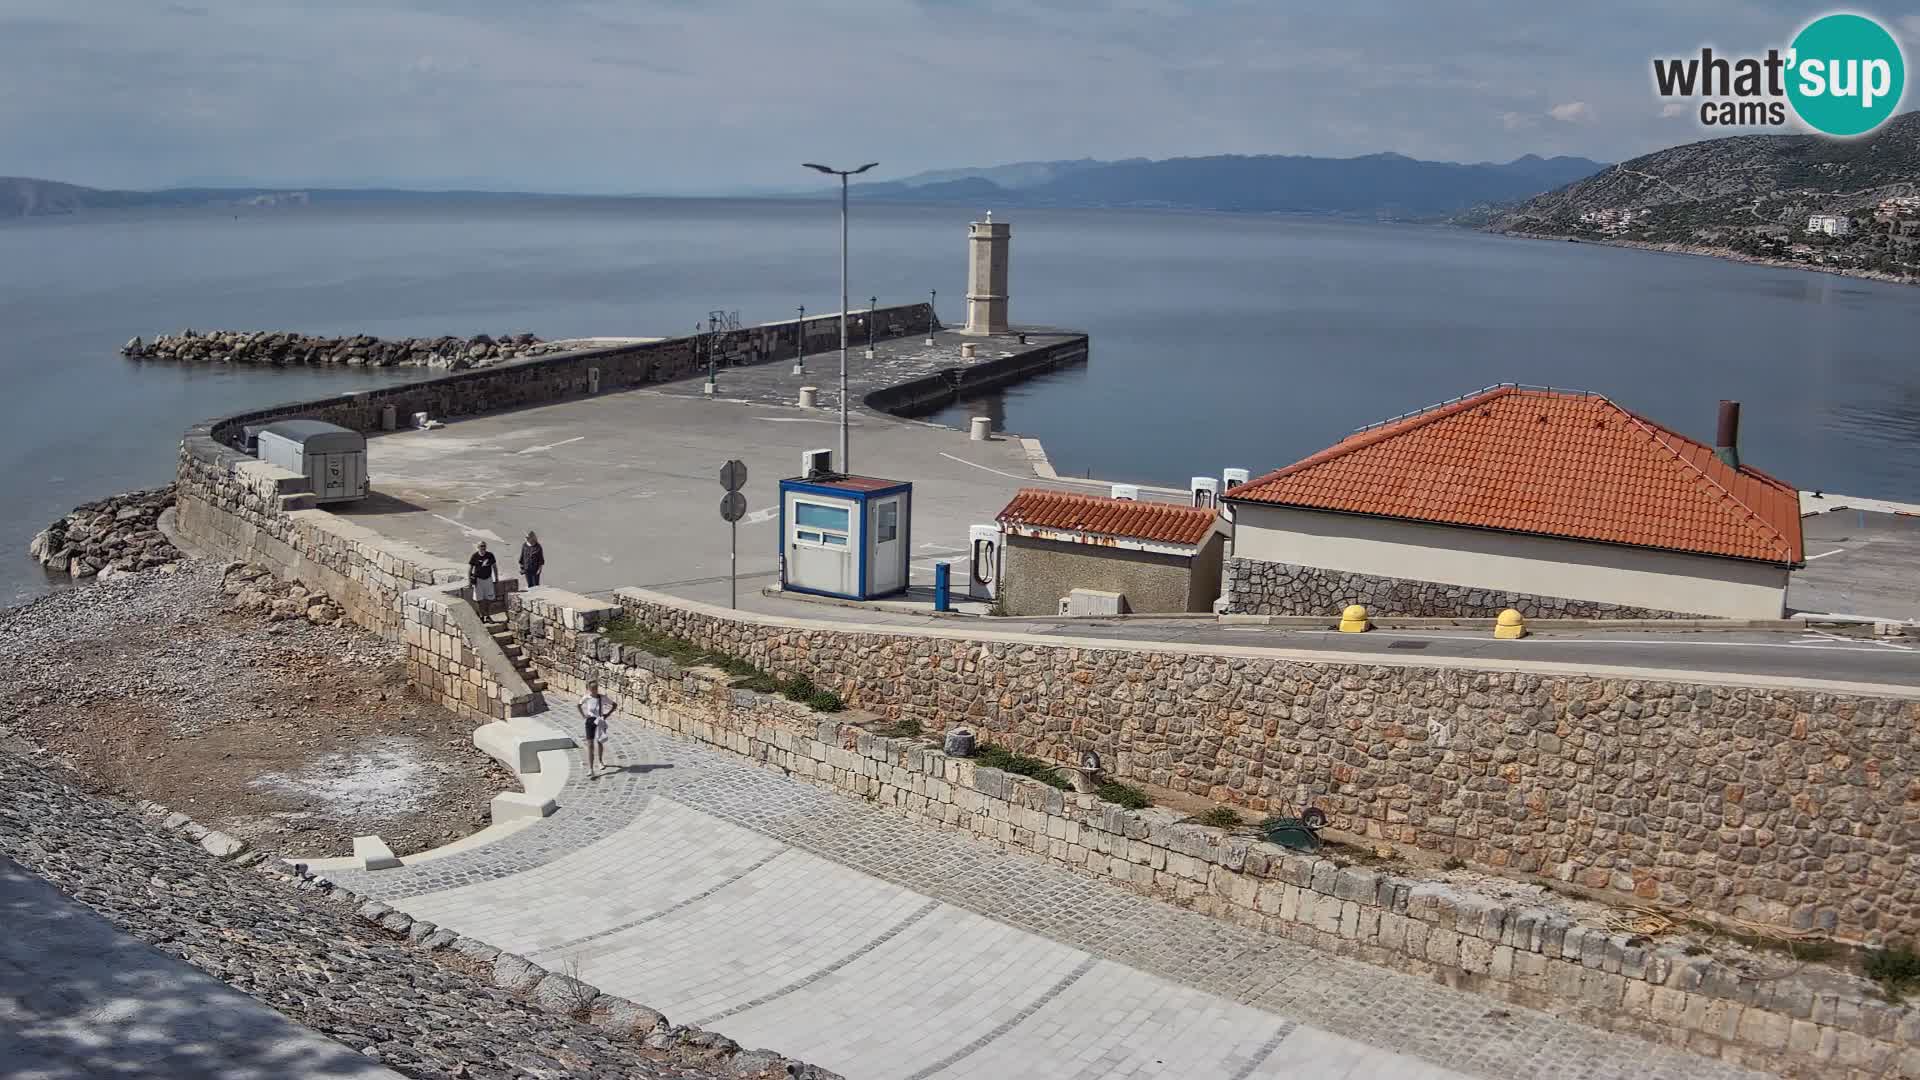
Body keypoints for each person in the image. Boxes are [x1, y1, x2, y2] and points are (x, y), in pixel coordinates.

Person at [577, 680, 617, 776]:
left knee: (599, 742)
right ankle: (591, 769)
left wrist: (607, 714)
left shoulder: (602, 697)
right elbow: (579, 705)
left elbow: (614, 705)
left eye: (596, 688)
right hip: (590, 721)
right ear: (589, 689)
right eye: (592, 688)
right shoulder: (586, 697)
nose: (594, 690)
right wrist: (583, 715)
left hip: (600, 720)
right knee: (590, 745)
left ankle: (600, 761)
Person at [468, 541, 497, 609]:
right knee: (478, 599)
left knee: (490, 598)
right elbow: (470, 569)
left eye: (484, 546)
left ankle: (487, 615)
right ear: (478, 547)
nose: (483, 548)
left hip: (488, 579)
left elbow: (494, 567)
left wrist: (496, 577)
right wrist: (469, 581)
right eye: (481, 546)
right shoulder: (474, 556)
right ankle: (481, 615)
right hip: (478, 580)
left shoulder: (490, 555)